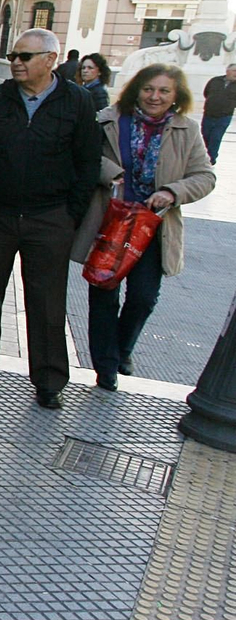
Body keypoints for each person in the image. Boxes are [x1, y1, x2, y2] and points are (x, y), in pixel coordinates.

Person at [0, 28, 101, 409]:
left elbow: (88, 163)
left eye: (25, 56)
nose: (16, 63)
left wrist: (71, 215)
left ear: (51, 60)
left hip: (50, 217)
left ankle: (49, 379)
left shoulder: (77, 101)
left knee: (46, 301)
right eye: (13, 56)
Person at [73, 65, 215, 390]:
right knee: (103, 293)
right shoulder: (107, 119)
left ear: (176, 95)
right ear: (136, 89)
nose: (155, 96)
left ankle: (122, 347)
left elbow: (205, 176)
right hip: (110, 222)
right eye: (149, 89)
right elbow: (83, 155)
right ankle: (106, 368)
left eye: (164, 91)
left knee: (143, 297)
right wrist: (110, 172)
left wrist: (172, 192)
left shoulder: (186, 130)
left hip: (152, 228)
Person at [202, 62, 236, 165]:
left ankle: (211, 159)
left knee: (216, 137)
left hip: (224, 116)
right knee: (205, 135)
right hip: (209, 114)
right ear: (227, 71)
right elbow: (206, 93)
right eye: (234, 71)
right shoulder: (215, 80)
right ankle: (203, 156)